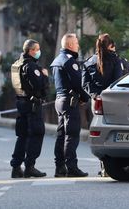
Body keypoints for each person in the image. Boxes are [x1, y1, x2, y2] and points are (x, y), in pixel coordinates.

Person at [50, 33, 90, 177]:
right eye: (76, 43)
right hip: (69, 102)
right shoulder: (69, 61)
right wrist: (86, 97)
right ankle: (72, 167)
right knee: (72, 135)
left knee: (61, 136)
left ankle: (59, 167)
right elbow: (78, 84)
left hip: (60, 100)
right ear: (70, 45)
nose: (78, 45)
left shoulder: (57, 60)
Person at [10, 39, 49, 178]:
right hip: (32, 105)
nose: (38, 51)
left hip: (21, 102)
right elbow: (40, 86)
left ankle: (16, 167)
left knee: (22, 135)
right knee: (36, 133)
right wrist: (44, 75)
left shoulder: (16, 65)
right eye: (37, 49)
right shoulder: (31, 66)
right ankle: (30, 166)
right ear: (31, 50)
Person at [82, 34, 123, 98]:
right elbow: (118, 80)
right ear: (110, 46)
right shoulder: (115, 60)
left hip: (96, 100)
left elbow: (85, 83)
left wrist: (95, 95)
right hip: (112, 98)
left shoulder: (89, 62)